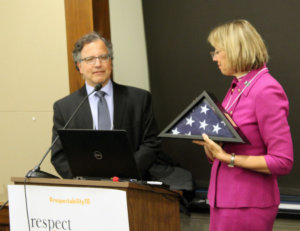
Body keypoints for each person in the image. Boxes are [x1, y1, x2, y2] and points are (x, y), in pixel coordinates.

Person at [193, 19, 293, 231]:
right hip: (223, 199)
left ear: (236, 51)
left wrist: (227, 158)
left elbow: (282, 161)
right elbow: (234, 144)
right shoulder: (238, 85)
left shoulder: (266, 90)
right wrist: (212, 149)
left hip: (247, 203)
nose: (215, 58)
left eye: (218, 51)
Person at [51, 32, 163, 180]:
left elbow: (152, 143)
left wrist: (126, 172)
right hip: (86, 191)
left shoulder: (139, 99)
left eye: (103, 57)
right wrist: (84, 180)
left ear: (110, 61)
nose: (98, 64)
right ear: (79, 66)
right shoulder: (65, 107)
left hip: (131, 185)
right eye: (90, 59)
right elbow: (59, 155)